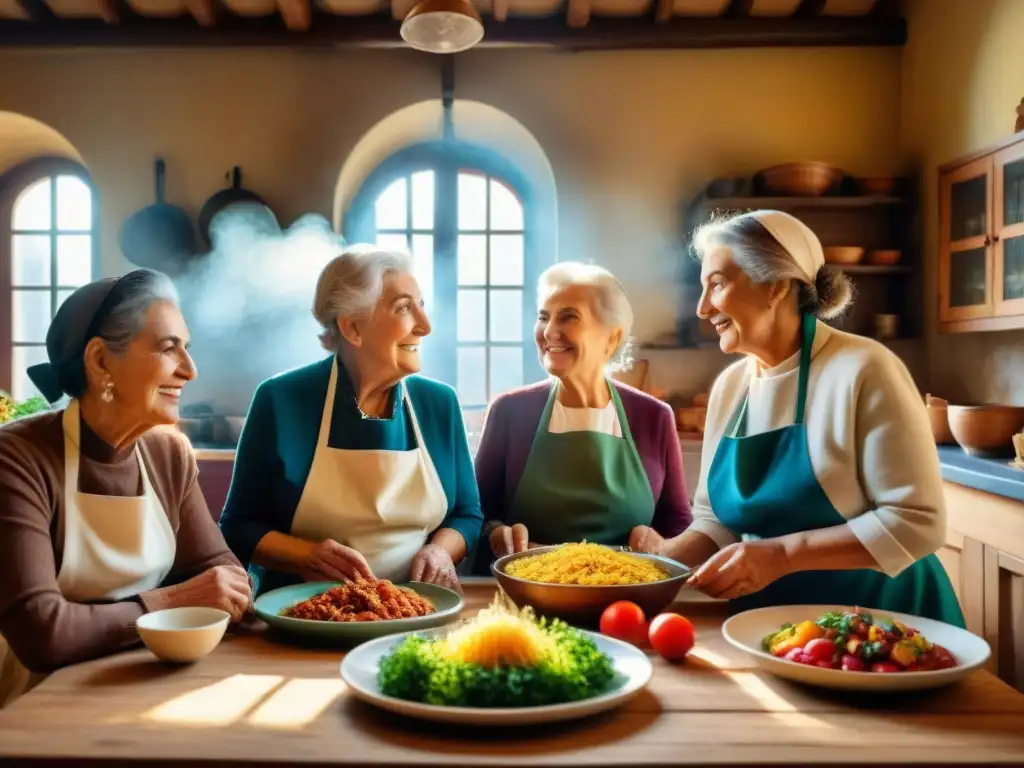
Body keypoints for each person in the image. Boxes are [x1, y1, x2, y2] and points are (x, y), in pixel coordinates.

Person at [631, 210, 963, 626]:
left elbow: (918, 523)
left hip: (883, 627)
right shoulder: (732, 386)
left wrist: (783, 555)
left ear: (774, 287)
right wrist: (651, 569)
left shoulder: (863, 368)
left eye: (715, 284)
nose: (702, 308)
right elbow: (717, 521)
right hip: (771, 627)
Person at [0, 270, 251, 708]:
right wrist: (172, 600)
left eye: (186, 348)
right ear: (99, 362)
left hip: (145, 684)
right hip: (33, 708)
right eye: (168, 347)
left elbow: (222, 576)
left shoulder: (168, 452)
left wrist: (206, 593)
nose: (190, 371)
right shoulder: (16, 458)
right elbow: (43, 633)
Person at [219, 247, 482, 596]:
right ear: (352, 328)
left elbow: (467, 514)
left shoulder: (439, 403)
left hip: (418, 607)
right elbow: (238, 526)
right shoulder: (280, 399)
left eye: (422, 304)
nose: (425, 325)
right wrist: (305, 555)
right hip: (304, 611)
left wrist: (440, 551)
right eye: (404, 308)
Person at [473, 262, 692, 572]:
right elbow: (476, 515)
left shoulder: (653, 417)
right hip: (531, 593)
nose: (549, 332)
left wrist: (659, 543)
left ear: (611, 339)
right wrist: (497, 534)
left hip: (625, 599)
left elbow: (678, 524)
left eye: (569, 317)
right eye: (543, 317)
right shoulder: (510, 411)